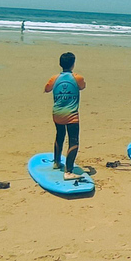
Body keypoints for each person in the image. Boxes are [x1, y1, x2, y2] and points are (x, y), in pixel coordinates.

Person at [44, 52, 86, 180]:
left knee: (60, 136)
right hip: (71, 114)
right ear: (73, 64)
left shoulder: (54, 78)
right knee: (74, 140)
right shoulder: (77, 77)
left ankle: (57, 162)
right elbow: (82, 86)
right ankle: (68, 172)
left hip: (57, 113)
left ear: (60, 64)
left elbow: (46, 89)